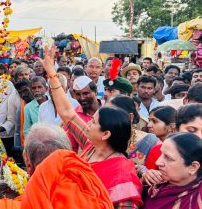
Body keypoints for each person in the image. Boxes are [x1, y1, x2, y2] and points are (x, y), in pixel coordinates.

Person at [39, 46, 143, 208]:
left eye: (93, 122)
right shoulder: (91, 146)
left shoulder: (123, 173)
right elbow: (67, 113)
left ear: (106, 134)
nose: (87, 123)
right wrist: (52, 73)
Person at [143, 133, 201, 209]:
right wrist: (143, 180)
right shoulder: (158, 183)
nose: (157, 162)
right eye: (161, 154)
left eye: (168, 158)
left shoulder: (196, 198)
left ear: (193, 167)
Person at [109, 95, 160, 175]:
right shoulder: (101, 138)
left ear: (130, 117)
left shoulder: (150, 141)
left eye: (112, 114)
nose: (105, 118)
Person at [144, 106, 177, 171]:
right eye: (149, 120)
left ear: (171, 126)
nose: (148, 125)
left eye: (154, 121)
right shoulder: (152, 143)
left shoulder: (158, 149)